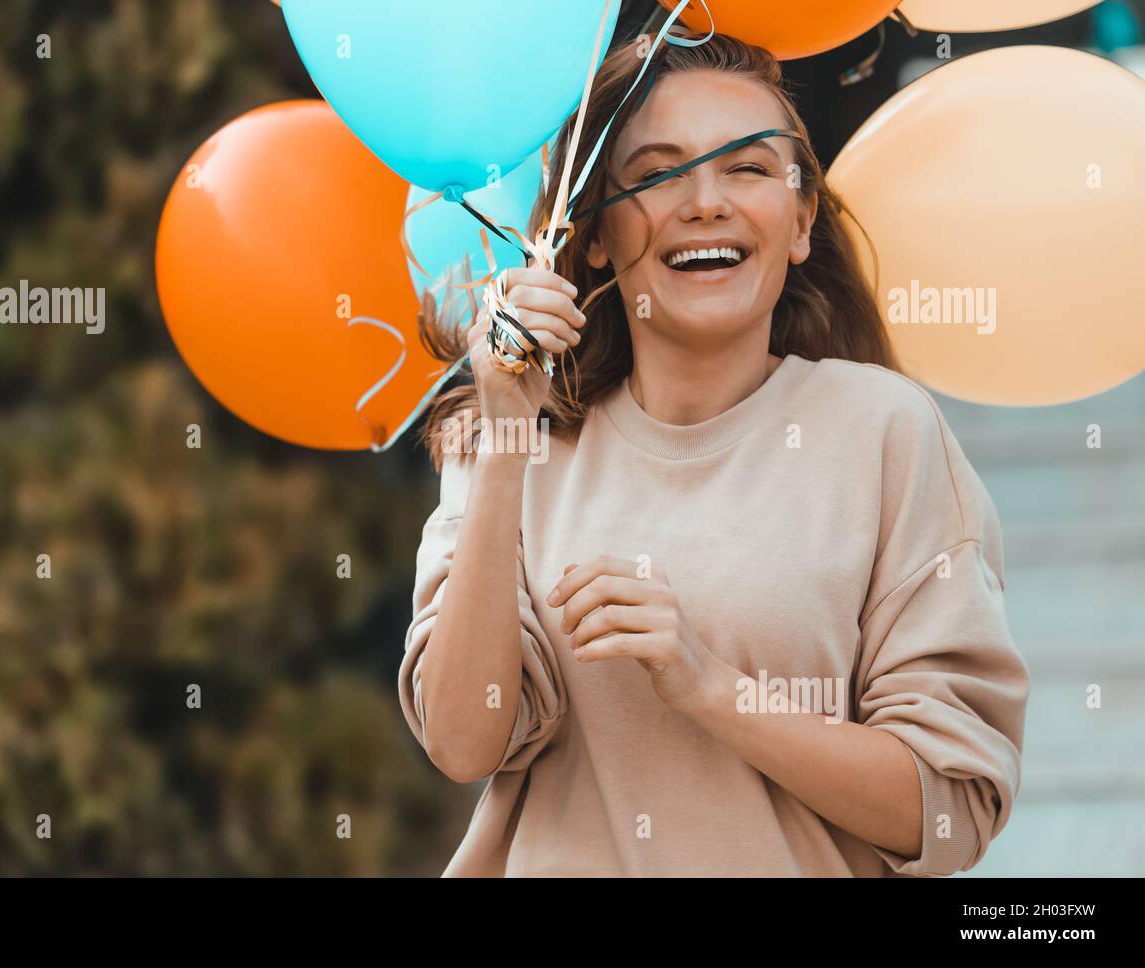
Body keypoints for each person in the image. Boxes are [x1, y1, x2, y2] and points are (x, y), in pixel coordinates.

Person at [397, 30, 1029, 876]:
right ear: (592, 237)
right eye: (659, 171)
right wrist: (508, 433)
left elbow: (949, 816)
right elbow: (464, 741)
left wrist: (705, 683)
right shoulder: (512, 439)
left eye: (748, 168)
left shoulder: (885, 432)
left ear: (801, 221)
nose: (705, 202)